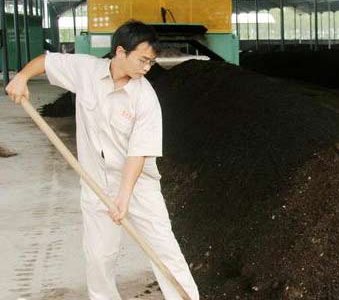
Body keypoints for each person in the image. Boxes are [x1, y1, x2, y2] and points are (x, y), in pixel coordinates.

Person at [6, 21, 199, 300]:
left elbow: (139, 151)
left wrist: (124, 196)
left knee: (163, 248)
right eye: (143, 60)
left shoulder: (145, 97)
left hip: (139, 186)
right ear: (121, 51)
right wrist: (22, 76)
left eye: (151, 62)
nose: (147, 68)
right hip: (95, 182)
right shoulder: (86, 71)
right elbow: (47, 62)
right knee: (99, 257)